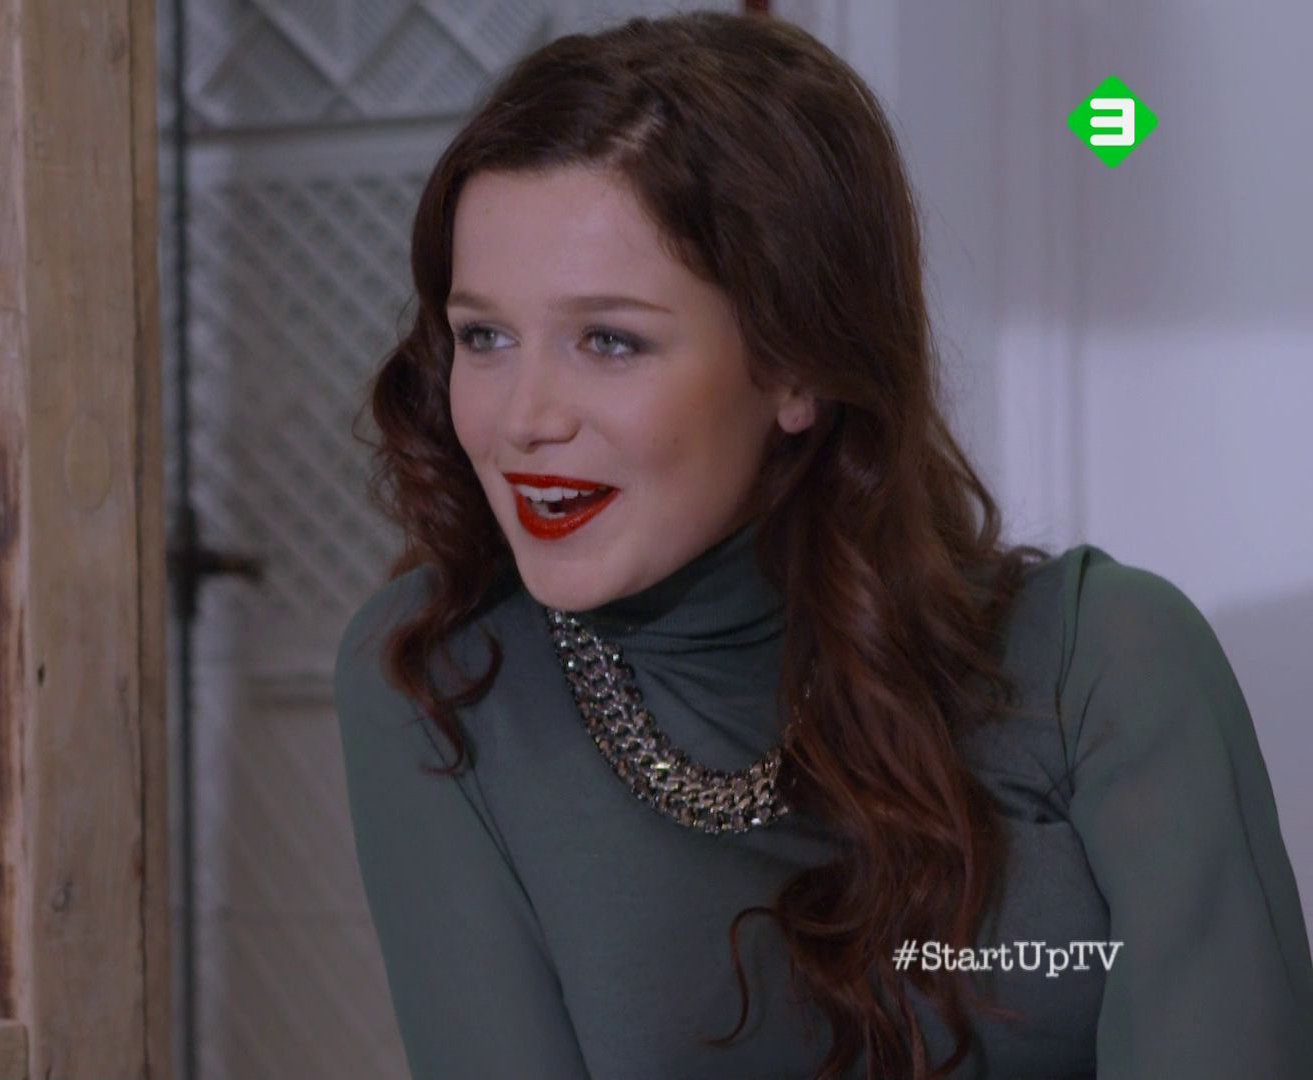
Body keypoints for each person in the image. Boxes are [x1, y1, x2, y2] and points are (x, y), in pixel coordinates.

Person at [332, 11, 1313, 1080]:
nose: (522, 419)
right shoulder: (442, 672)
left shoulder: (1107, 664)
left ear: (797, 364)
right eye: (483, 336)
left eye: (609, 340)